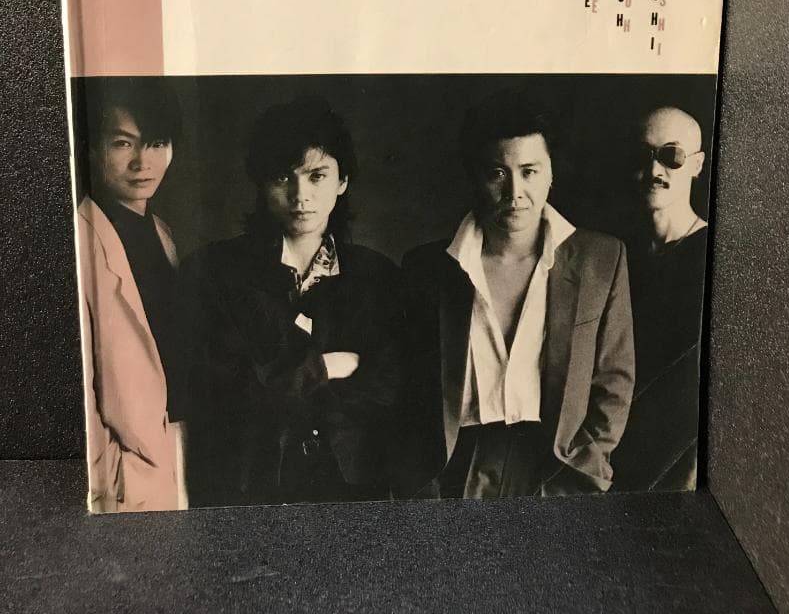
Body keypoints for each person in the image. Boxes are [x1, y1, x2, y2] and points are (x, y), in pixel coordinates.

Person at [395, 91, 634, 499]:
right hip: (456, 469)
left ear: (551, 172)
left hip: (557, 466)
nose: (515, 193)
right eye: (497, 173)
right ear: (474, 176)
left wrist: (587, 469)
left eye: (529, 171)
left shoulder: (601, 258)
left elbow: (615, 378)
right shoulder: (427, 268)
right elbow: (409, 389)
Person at [185, 96, 401, 506]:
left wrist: (283, 380)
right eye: (283, 177)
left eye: (317, 176)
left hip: (351, 486)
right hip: (248, 484)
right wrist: (328, 366)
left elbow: (388, 387)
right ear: (260, 183)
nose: (301, 195)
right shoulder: (216, 271)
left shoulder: (379, 277)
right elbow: (219, 390)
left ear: (342, 181)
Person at [73, 77, 187, 513]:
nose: (143, 162)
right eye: (123, 143)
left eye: (156, 143)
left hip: (174, 456)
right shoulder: (81, 238)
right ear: (92, 148)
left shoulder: (162, 233)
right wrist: (111, 474)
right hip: (124, 477)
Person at [611, 105, 709, 491]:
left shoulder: (717, 255)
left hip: (681, 466)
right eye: (645, 154)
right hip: (615, 456)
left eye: (671, 156)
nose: (655, 170)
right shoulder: (616, 254)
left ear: (696, 165)